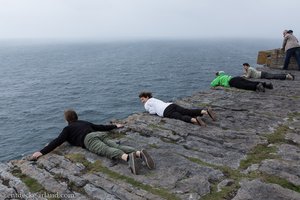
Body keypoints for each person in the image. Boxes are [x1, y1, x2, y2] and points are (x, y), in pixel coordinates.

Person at [31, 109, 155, 175]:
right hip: (98, 134)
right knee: (113, 145)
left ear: (66, 120)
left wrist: (41, 152)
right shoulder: (84, 122)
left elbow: (57, 141)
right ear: (76, 117)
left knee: (106, 150)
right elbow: (100, 126)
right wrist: (115, 126)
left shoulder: (67, 129)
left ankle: (128, 158)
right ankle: (138, 153)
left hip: (88, 139)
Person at [138, 92, 217, 127]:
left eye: (142, 99)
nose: (142, 101)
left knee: (180, 117)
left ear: (147, 97)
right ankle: (205, 111)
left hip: (165, 112)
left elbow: (152, 112)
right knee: (186, 111)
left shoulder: (146, 104)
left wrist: (152, 111)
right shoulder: (154, 99)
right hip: (170, 105)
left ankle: (196, 120)